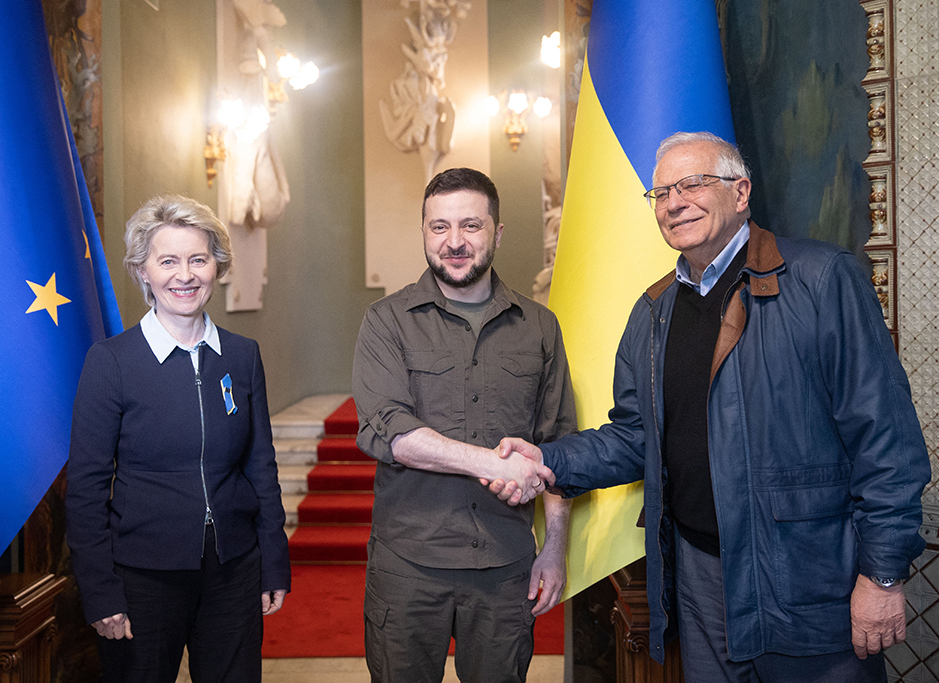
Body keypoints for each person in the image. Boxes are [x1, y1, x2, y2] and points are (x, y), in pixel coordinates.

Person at [493, 132, 930, 683]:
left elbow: (886, 440)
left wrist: (883, 575)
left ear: (741, 191)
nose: (674, 202)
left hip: (807, 579)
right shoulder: (652, 314)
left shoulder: (821, 281)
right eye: (660, 193)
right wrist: (545, 460)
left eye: (692, 183)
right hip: (699, 580)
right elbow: (635, 438)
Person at [351, 167, 576, 683]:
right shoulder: (386, 321)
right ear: (424, 231)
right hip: (409, 567)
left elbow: (559, 446)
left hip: (506, 568)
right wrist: (493, 464)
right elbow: (392, 433)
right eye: (439, 227)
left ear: (497, 233)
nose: (454, 242)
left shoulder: (540, 327)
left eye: (471, 226)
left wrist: (556, 550)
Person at [66, 195, 290, 683]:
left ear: (217, 266)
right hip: (143, 576)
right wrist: (100, 591)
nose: (184, 275)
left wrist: (273, 559)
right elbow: (85, 490)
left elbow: (260, 465)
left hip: (233, 568)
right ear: (143, 271)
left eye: (198, 259)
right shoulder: (111, 362)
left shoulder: (242, 355)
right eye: (167, 261)